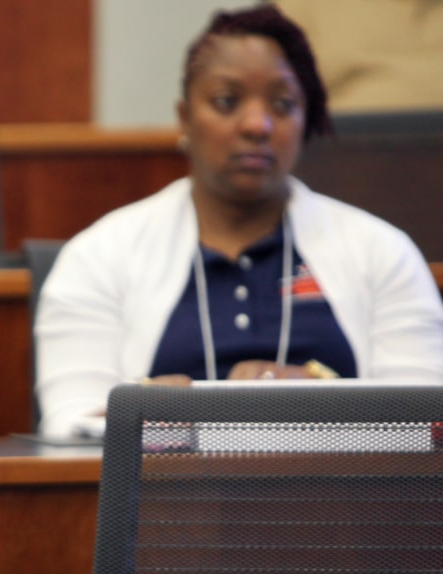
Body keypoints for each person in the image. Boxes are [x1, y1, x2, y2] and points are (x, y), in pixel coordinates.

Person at [34, 4, 443, 440]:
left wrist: (319, 395)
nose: (257, 124)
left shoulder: (383, 252)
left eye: (283, 104)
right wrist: (157, 409)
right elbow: (69, 425)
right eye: (227, 101)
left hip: (342, 502)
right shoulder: (99, 255)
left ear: (306, 122)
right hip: (166, 505)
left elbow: (429, 422)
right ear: (184, 117)